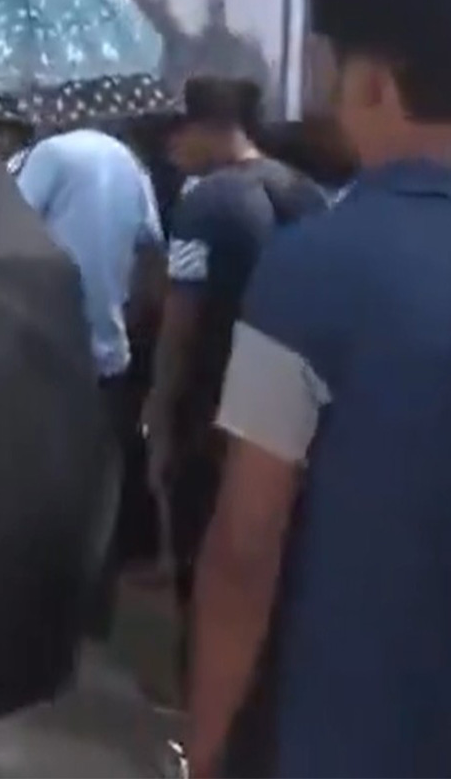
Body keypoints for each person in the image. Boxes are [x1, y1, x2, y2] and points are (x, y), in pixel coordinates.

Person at [185, 0, 451, 777]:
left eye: (330, 74)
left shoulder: (317, 266)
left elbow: (245, 543)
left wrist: (203, 743)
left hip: (351, 735)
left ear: (375, 83)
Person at [142, 75, 327, 709]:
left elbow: (181, 320)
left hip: (211, 410)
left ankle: (197, 698)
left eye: (179, 133)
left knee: (205, 559)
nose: (173, 148)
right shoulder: (305, 194)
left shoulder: (204, 206)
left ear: (202, 129)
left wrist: (160, 412)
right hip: (292, 416)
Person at [14, 124, 165, 635]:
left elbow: (4, 232)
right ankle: (90, 614)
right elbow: (151, 257)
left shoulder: (49, 154)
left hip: (43, 349)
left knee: (33, 487)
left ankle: (30, 615)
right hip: (109, 355)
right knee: (100, 491)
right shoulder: (131, 164)